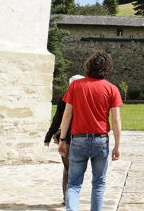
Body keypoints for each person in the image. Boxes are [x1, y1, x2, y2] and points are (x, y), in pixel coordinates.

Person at [58, 51, 122, 211]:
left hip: (78, 140)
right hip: (101, 140)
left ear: (88, 66)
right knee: (99, 183)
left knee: (73, 184)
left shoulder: (75, 86)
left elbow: (67, 116)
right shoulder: (112, 89)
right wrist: (117, 146)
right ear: (107, 69)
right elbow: (116, 120)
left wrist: (62, 140)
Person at [44, 74, 84, 204]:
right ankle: (71, 197)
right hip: (83, 138)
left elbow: (57, 120)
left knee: (68, 170)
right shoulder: (86, 99)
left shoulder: (64, 99)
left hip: (68, 139)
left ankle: (67, 198)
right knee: (76, 170)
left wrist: (48, 137)